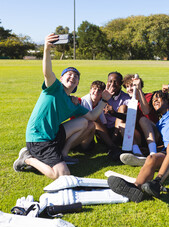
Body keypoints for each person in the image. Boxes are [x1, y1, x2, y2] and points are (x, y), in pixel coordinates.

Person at [13, 33, 113, 180]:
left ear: (77, 84)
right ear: (61, 79)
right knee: (62, 174)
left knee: (86, 122)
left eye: (76, 76)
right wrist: (46, 49)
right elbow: (47, 72)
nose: (72, 77)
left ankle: (63, 155)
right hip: (38, 138)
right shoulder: (54, 88)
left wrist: (104, 100)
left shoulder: (72, 102)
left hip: (54, 135)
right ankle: (27, 158)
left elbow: (92, 116)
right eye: (69, 74)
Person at [108, 83, 169, 202]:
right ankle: (136, 188)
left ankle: (157, 182)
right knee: (151, 158)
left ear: (166, 100)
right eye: (153, 100)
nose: (155, 101)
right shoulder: (159, 124)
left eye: (158, 98)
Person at [116, 74, 160, 165]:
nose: (129, 89)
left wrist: (139, 89)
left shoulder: (149, 96)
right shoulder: (130, 102)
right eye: (127, 87)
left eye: (132, 85)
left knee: (143, 120)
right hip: (140, 137)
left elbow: (146, 111)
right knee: (123, 125)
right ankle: (137, 154)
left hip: (154, 134)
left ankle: (153, 153)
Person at [102, 72, 131, 159]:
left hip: (118, 131)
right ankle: (112, 146)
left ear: (121, 84)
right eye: (110, 81)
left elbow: (130, 118)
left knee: (122, 107)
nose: (112, 84)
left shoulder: (126, 97)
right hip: (104, 131)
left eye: (115, 82)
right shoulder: (101, 95)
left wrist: (115, 113)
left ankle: (112, 144)